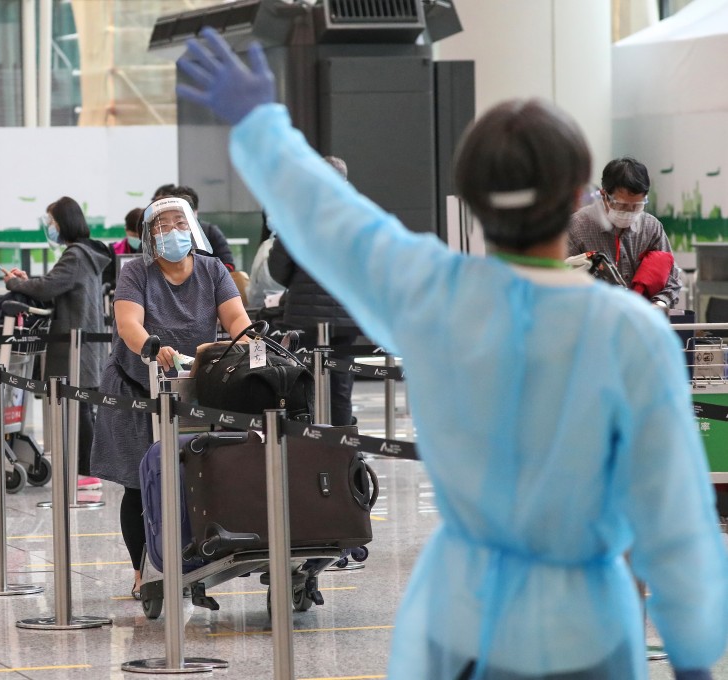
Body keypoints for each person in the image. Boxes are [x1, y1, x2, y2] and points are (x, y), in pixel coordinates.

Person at [176, 27, 728, 680]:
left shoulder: (433, 293)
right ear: (580, 192)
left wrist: (262, 122)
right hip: (582, 631)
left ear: (472, 193)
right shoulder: (629, 334)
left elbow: (334, 219)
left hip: (454, 622)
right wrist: (694, 653)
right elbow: (674, 521)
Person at [89, 195, 251, 599]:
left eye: (179, 222)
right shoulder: (137, 273)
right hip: (136, 388)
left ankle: (192, 558)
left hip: (192, 386)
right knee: (138, 483)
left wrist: (251, 344)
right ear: (149, 236)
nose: (172, 231)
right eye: (161, 226)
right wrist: (151, 348)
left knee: (196, 473)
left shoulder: (212, 269)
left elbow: (235, 318)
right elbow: (129, 323)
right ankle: (142, 571)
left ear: (193, 227)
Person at [3, 197, 114, 491]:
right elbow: (58, 286)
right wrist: (30, 280)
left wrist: (15, 284)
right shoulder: (87, 254)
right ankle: (85, 469)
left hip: (74, 344)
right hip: (84, 343)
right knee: (80, 409)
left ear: (64, 222)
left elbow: (48, 288)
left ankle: (87, 472)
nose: (48, 226)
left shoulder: (75, 255)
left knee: (78, 412)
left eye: (51, 220)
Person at [267, 155, 360, 426]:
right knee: (341, 385)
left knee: (307, 381)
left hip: (306, 318)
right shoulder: (361, 215)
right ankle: (344, 453)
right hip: (347, 317)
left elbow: (278, 269)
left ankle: (312, 451)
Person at [567, 158, 681, 309]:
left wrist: (659, 304)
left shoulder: (651, 227)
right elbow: (561, 282)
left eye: (637, 206)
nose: (629, 211)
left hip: (641, 319)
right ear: (604, 195)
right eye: (621, 205)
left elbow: (672, 279)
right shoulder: (577, 227)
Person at [152, 184, 236, 269]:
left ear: (196, 211)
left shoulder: (210, 231)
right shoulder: (158, 233)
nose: (175, 229)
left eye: (187, 212)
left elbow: (228, 263)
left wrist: (211, 275)